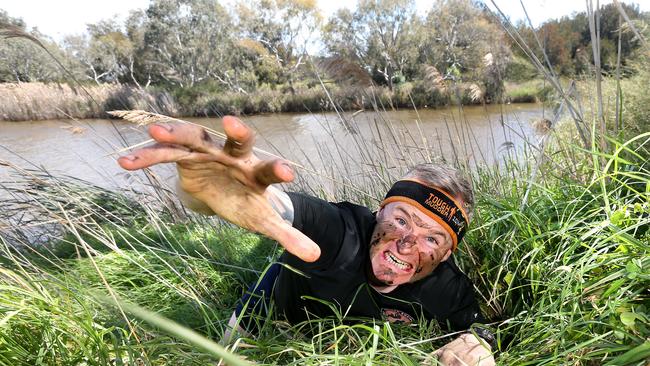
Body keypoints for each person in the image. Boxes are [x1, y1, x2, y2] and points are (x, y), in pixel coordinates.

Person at [118, 116, 496, 365]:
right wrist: (209, 196)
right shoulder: (339, 229)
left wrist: (481, 346)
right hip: (277, 304)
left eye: (432, 238)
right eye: (401, 219)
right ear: (377, 213)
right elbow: (278, 207)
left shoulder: (447, 287)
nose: (406, 243)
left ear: (448, 254)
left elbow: (477, 326)